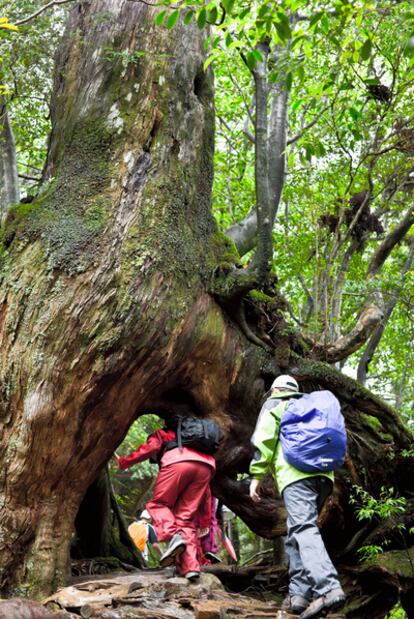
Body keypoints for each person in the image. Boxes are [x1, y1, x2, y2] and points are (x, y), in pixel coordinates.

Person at [249, 375, 345, 619]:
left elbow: (264, 439)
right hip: (325, 477)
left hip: (296, 476)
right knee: (296, 531)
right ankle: (299, 596)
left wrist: (256, 477)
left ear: (274, 390)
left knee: (303, 528)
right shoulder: (310, 407)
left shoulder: (276, 403)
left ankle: (329, 588)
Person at [117, 418, 216, 582]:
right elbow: (207, 494)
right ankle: (191, 568)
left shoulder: (165, 433)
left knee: (157, 504)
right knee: (185, 519)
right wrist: (205, 521)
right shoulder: (197, 443)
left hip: (177, 461)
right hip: (207, 466)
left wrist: (125, 462)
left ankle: (174, 534)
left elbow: (151, 447)